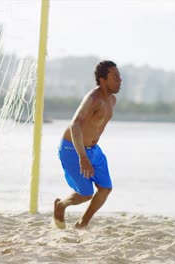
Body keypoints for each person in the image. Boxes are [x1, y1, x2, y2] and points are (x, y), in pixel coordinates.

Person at [53, 60, 121, 229]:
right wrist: (82, 157)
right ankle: (61, 205)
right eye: (115, 77)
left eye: (120, 77)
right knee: (86, 194)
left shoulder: (112, 100)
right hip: (73, 149)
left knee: (105, 188)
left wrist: (88, 153)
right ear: (102, 79)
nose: (120, 80)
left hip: (93, 150)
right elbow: (75, 125)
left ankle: (82, 224)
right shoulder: (93, 99)